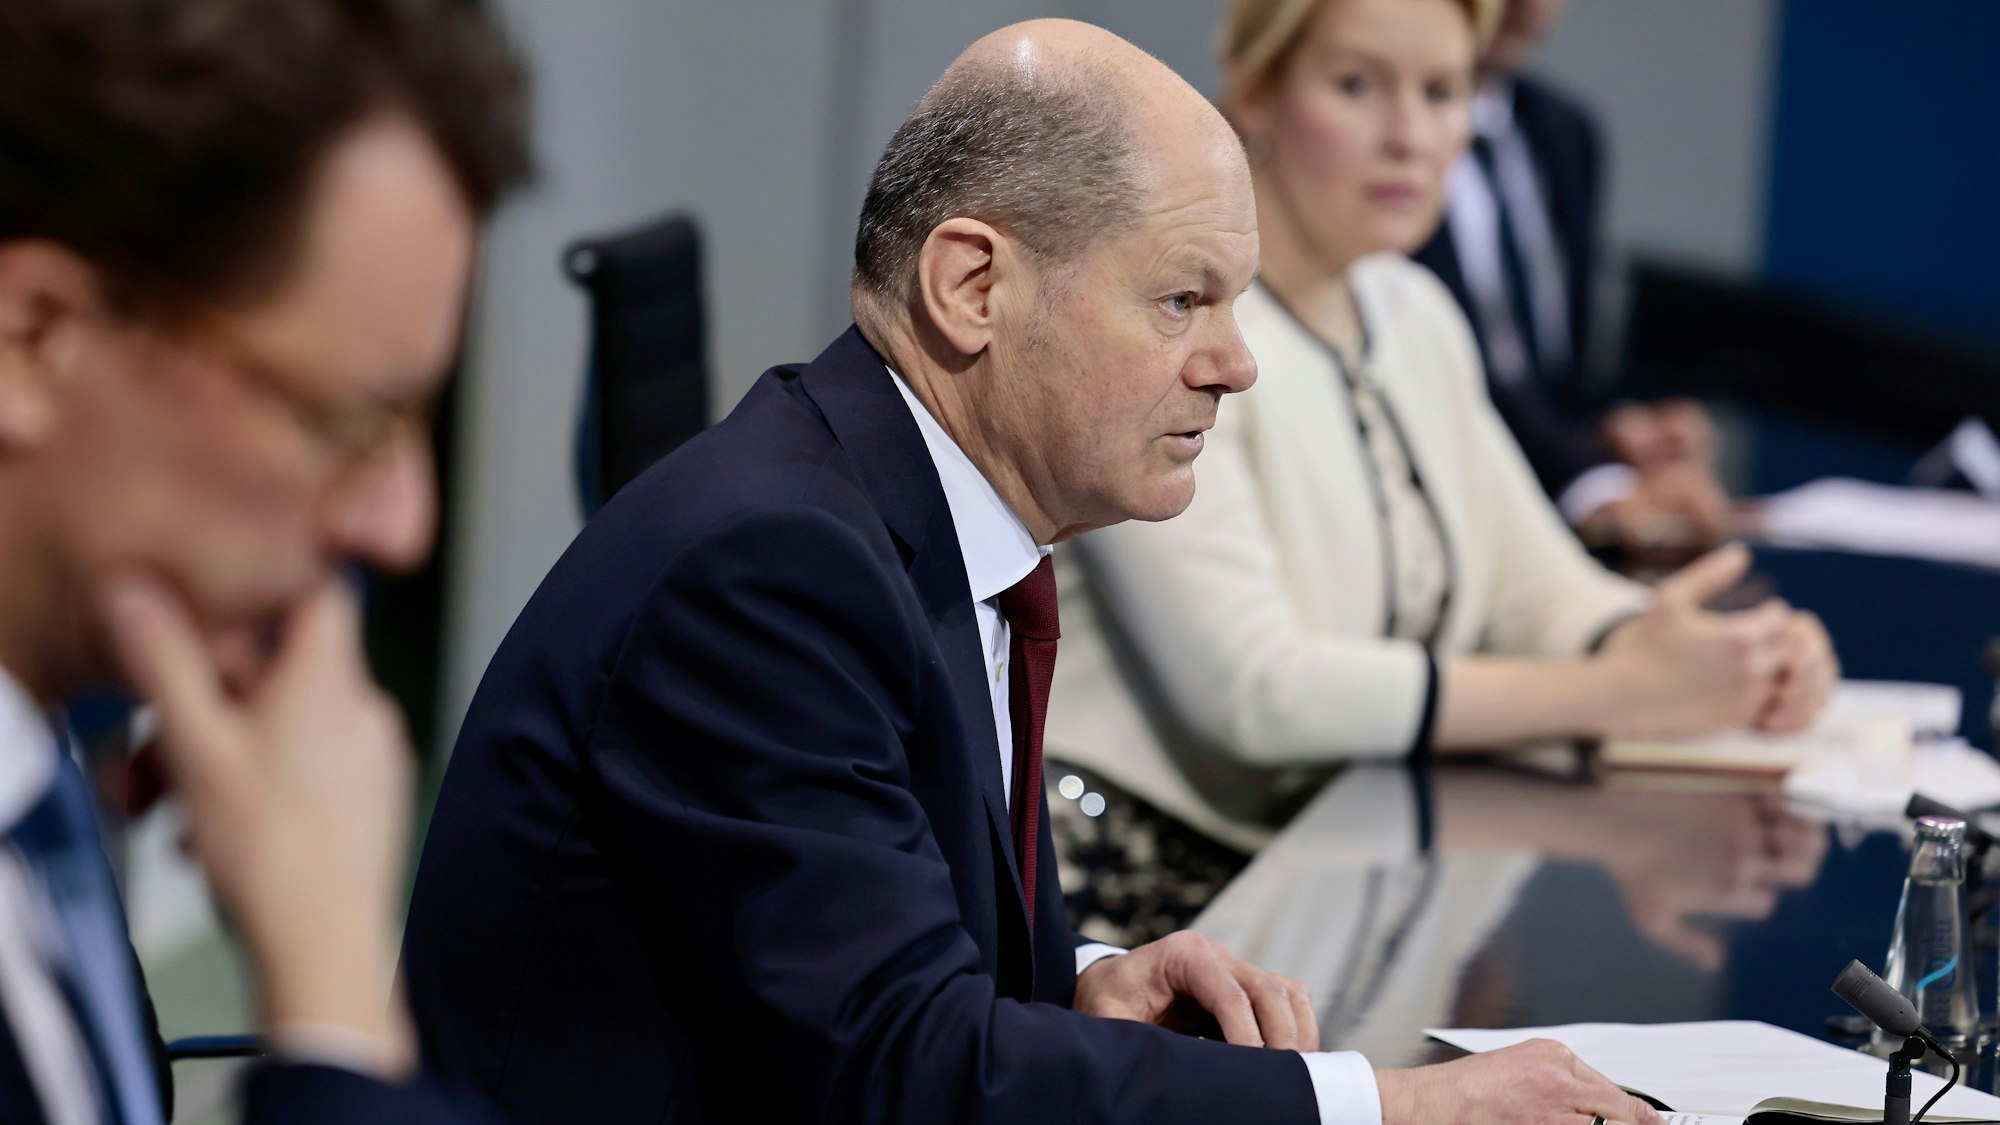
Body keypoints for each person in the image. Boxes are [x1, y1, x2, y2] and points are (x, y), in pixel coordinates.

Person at [402, 18, 1662, 1125]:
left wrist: (1079, 984)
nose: (1235, 362)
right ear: (971, 285)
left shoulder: (911, 516)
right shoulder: (770, 570)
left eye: (1232, 304)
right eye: (1181, 300)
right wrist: (1388, 1105)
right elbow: (902, 1071)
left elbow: (881, 979)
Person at [1041, 0, 1837, 944]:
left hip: (1341, 884)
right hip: (1130, 914)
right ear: (1254, 96)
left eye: (1445, 92)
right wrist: (1624, 691)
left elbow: (1533, 588)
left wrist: (1705, 655)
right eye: (1357, 86)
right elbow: (1259, 695)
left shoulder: (1412, 310)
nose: (1411, 138)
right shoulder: (1169, 328)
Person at [0, 0, 529, 1120]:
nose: (401, 527)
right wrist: (332, 1000)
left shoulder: (47, 790)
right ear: (37, 339)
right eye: (349, 423)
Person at [1410, 0, 1730, 550]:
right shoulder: (1385, 145)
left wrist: (1620, 429)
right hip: (1441, 508)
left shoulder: (1564, 131)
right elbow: (1428, 362)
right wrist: (1587, 479)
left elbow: (1557, 360)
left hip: (1566, 512)